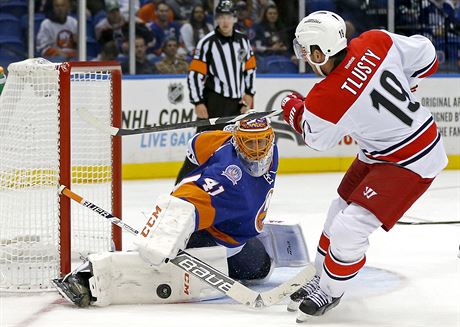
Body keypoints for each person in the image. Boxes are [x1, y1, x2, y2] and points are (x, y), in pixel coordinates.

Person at [280, 10, 448, 321]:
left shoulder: (325, 95)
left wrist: (292, 108)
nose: (304, 58)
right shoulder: (375, 40)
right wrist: (408, 82)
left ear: (320, 51)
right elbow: (428, 55)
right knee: (338, 209)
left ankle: (330, 290)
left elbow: (316, 138)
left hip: (411, 159)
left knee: (349, 228)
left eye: (305, 51)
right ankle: (321, 276)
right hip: (381, 151)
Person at [52, 118, 307, 308]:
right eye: (249, 142)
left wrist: (230, 133)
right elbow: (184, 201)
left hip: (237, 236)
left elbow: (194, 146)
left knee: (261, 268)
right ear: (238, 143)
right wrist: (163, 235)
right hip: (212, 241)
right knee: (153, 264)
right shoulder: (226, 180)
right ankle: (86, 277)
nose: (257, 150)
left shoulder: (258, 149)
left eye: (262, 141)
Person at [175, 0, 256, 184]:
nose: (225, 21)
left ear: (234, 18)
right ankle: (179, 190)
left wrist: (249, 95)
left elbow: (250, 69)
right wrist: (198, 101)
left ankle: (236, 187)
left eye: (228, 16)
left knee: (240, 147)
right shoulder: (207, 43)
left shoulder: (243, 41)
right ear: (216, 19)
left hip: (237, 104)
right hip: (214, 103)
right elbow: (195, 74)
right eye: (221, 17)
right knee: (200, 149)